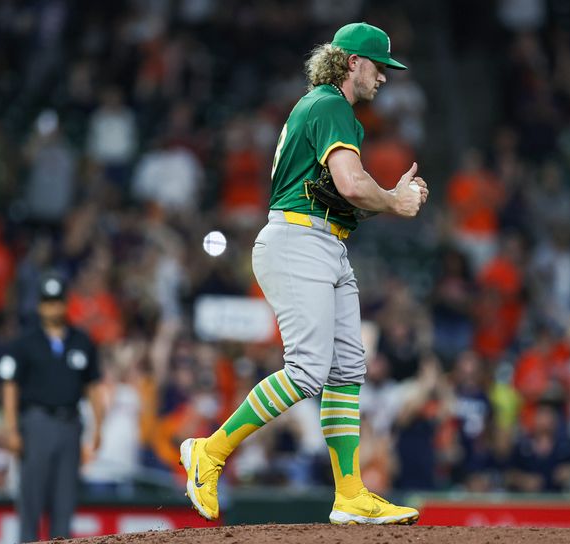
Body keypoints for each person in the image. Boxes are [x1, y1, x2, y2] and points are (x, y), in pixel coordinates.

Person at [180, 22, 428, 525]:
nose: (384, 78)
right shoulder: (329, 104)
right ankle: (209, 451)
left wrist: (384, 200)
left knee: (346, 368)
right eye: (379, 66)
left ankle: (350, 493)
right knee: (309, 369)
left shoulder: (327, 111)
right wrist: (395, 201)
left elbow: (348, 197)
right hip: (299, 239)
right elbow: (354, 185)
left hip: (323, 241)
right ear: (353, 63)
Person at [0, 272, 104, 542]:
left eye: (57, 301)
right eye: (48, 301)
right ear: (40, 305)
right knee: (31, 501)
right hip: (37, 423)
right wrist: (11, 429)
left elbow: (93, 387)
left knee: (65, 503)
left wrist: (98, 428)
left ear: (65, 303)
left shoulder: (82, 341)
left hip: (71, 424)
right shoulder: (25, 342)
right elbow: (10, 385)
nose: (53, 307)